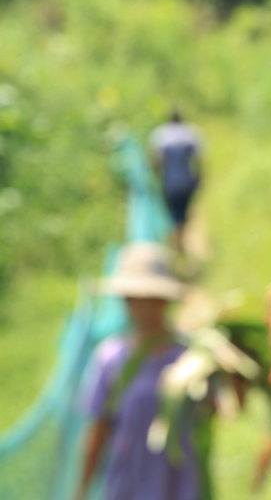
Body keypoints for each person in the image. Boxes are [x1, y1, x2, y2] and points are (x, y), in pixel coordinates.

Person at [75, 242, 202, 500]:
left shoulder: (189, 357)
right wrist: (81, 490)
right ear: (126, 301)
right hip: (127, 486)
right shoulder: (111, 359)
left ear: (165, 300)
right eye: (137, 299)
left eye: (153, 299)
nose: (145, 308)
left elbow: (220, 408)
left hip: (176, 485)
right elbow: (98, 431)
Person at [150, 110, 203, 253]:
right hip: (187, 181)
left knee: (173, 216)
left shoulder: (161, 135)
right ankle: (180, 245)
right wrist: (199, 177)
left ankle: (177, 246)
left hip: (170, 183)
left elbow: (156, 161)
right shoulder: (191, 133)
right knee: (184, 215)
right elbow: (199, 159)